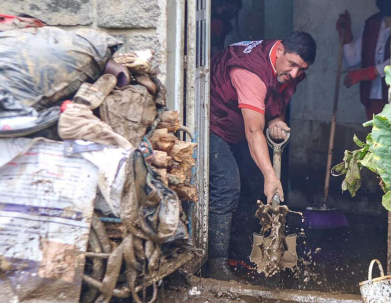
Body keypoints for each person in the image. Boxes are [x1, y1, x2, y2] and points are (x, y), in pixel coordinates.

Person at [207, 31, 317, 280]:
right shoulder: (250, 71)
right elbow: (254, 129)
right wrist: (270, 174)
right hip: (210, 124)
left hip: (238, 126)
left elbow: (274, 103)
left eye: (302, 68)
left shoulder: (287, 70)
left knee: (253, 184)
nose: (295, 74)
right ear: (279, 50)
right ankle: (215, 264)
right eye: (292, 65)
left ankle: (238, 254)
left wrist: (276, 120)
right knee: (226, 186)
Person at [336, 0, 391, 120]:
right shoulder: (372, 24)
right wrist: (345, 35)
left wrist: (368, 73)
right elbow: (352, 60)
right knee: (377, 138)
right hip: (373, 97)